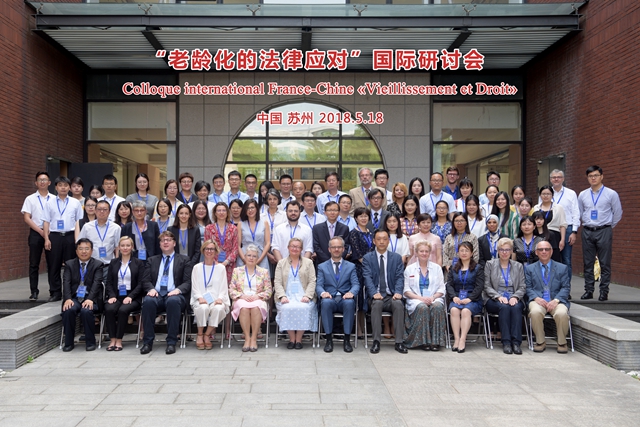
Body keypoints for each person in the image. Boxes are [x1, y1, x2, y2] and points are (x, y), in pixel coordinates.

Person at [140, 231, 192, 355]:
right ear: (159, 244)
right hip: (156, 294)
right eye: (163, 240)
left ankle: (171, 342)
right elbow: (145, 280)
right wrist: (151, 289)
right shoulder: (152, 260)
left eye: (168, 240)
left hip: (175, 294)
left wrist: (177, 290)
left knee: (173, 301)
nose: (165, 242)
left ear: (174, 243)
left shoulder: (184, 260)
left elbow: (188, 281)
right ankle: (147, 342)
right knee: (148, 301)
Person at [578, 166, 623, 301]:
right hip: (587, 230)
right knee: (588, 262)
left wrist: (608, 226)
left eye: (596, 175)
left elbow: (618, 213)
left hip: (604, 230)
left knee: (605, 262)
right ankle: (589, 290)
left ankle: (604, 291)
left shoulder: (611, 194)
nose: (593, 178)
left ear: (602, 176)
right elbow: (580, 212)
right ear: (587, 178)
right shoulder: (583, 195)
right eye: (590, 176)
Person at [363, 230, 407, 354]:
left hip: (391, 295)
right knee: (377, 304)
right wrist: (373, 293)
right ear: (374, 241)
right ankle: (376, 341)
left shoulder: (396, 258)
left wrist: (398, 292)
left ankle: (399, 342)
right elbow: (367, 278)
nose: (381, 241)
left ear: (388, 241)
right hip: (375, 295)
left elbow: (399, 277)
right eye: (378, 239)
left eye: (384, 239)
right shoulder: (368, 258)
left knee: (398, 304)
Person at [525, 241, 572, 353]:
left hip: (557, 300)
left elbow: (566, 288)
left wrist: (556, 300)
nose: (544, 252)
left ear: (551, 252)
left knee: (561, 313)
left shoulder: (562, 268)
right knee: (535, 312)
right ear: (536, 252)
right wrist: (536, 298)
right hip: (538, 300)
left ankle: (562, 343)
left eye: (547, 249)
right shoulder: (530, 269)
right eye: (540, 250)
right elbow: (527, 287)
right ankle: (540, 342)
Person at [43, 176, 84, 302]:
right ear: (56, 187)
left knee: (72, 265)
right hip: (55, 236)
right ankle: (55, 292)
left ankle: (71, 291)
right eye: (60, 185)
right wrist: (46, 239)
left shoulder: (75, 203)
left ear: (69, 188)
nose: (63, 188)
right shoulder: (49, 203)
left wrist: (77, 240)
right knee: (53, 265)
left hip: (70, 236)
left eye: (66, 185)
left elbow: (78, 222)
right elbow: (46, 222)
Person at [316, 237, 360, 353]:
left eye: (339, 247)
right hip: (329, 298)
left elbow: (356, 284)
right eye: (334, 247)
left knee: (350, 303)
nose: (336, 249)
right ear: (329, 249)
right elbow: (319, 285)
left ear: (343, 249)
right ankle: (328, 340)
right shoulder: (322, 266)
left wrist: (351, 293)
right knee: (325, 303)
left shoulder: (351, 266)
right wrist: (323, 293)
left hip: (345, 298)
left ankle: (347, 340)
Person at [484, 238, 526, 355]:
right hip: (494, 298)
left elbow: (522, 286)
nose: (504, 252)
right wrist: (498, 297)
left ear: (512, 251)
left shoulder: (518, 266)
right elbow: (487, 286)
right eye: (501, 250)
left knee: (516, 307)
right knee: (504, 307)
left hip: (514, 297)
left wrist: (515, 297)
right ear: (498, 251)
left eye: (507, 250)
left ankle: (516, 343)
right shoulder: (490, 264)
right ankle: (506, 342)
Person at [103, 236, 146, 351]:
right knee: (109, 308)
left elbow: (141, 284)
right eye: (122, 246)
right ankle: (112, 339)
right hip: (116, 295)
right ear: (119, 247)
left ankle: (119, 340)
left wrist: (131, 296)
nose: (125, 248)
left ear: (132, 247)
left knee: (123, 310)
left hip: (133, 297)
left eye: (128, 245)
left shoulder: (138, 263)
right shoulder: (113, 262)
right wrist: (112, 295)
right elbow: (109, 282)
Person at [274, 238, 318, 349]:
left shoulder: (309, 263)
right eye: (292, 246)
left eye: (298, 247)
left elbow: (312, 281)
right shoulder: (281, 263)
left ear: (301, 249)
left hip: (304, 295)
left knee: (304, 308)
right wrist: (282, 296)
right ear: (288, 248)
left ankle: (299, 339)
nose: (295, 249)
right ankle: (291, 338)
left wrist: (307, 295)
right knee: (286, 308)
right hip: (286, 295)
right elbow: (277, 282)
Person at [60, 238, 103, 352]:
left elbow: (97, 284)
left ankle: (90, 342)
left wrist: (90, 299)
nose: (84, 251)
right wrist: (68, 298)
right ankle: (68, 342)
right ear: (76, 251)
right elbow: (66, 282)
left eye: (87, 249)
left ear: (91, 251)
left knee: (86, 311)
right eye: (81, 249)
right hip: (74, 298)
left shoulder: (98, 265)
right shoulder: (69, 264)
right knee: (68, 310)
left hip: (91, 298)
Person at [229, 244, 272, 351]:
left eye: (254, 256)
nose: (251, 258)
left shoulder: (264, 272)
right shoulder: (237, 271)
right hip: (241, 299)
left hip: (258, 299)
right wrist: (242, 296)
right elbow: (231, 290)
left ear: (257, 258)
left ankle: (254, 339)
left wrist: (258, 296)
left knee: (256, 307)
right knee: (243, 308)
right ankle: (247, 339)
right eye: (249, 255)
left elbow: (268, 291)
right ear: (244, 257)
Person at [190, 239, 230, 350]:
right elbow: (194, 286)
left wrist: (220, 298)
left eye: (212, 249)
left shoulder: (221, 268)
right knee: (203, 308)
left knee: (218, 309)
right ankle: (199, 334)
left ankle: (207, 334)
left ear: (216, 251)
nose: (209, 251)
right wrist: (199, 297)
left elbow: (224, 286)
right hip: (200, 298)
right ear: (203, 251)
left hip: (216, 299)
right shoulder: (197, 267)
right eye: (207, 249)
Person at [446, 242, 484, 353]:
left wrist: (470, 298)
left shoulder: (478, 268)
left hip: (473, 298)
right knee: (454, 310)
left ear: (471, 253)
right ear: (458, 253)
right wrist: (453, 297)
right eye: (461, 250)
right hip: (457, 297)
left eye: (467, 250)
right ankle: (456, 339)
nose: (464, 253)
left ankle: (463, 339)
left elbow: (479, 286)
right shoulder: (454, 268)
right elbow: (449, 285)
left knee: (466, 311)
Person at [21, 171, 53, 301]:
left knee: (52, 263)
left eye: (45, 180)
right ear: (36, 183)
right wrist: (40, 231)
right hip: (36, 232)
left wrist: (47, 232)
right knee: (34, 263)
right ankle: (34, 291)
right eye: (40, 180)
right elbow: (26, 218)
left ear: (49, 183)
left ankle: (54, 291)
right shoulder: (30, 199)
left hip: (51, 233)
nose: (42, 182)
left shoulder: (54, 199)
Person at [346, 207, 375, 336]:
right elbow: (357, 253)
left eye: (366, 216)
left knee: (367, 297)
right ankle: (358, 328)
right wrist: (367, 264)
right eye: (360, 216)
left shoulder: (371, 233)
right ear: (356, 218)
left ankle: (364, 326)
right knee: (359, 297)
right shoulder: (354, 233)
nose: (363, 218)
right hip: (358, 268)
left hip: (370, 269)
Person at [548, 170, 580, 278]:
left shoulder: (571, 193)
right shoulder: (546, 193)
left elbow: (576, 212)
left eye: (559, 177)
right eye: (554, 177)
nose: (556, 179)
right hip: (551, 229)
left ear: (563, 179)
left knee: (566, 259)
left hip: (567, 229)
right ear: (550, 179)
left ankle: (566, 286)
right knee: (551, 258)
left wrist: (574, 231)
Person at [78, 199, 122, 268]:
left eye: (105, 209)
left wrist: (116, 264)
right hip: (91, 265)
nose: (102, 211)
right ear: (95, 211)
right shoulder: (87, 227)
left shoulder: (116, 228)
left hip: (109, 265)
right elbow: (80, 244)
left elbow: (117, 247)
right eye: (99, 209)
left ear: (109, 212)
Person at [204, 202, 239, 283]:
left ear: (227, 213)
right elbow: (206, 247)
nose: (221, 213)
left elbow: (235, 248)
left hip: (229, 264)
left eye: (224, 210)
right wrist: (215, 262)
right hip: (213, 263)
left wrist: (226, 262)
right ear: (215, 213)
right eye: (219, 210)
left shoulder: (233, 228)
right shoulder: (208, 228)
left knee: (228, 286)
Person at [533, 185, 567, 259]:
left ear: (552, 195)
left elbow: (563, 224)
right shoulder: (536, 208)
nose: (546, 196)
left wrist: (562, 240)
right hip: (539, 235)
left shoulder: (558, 208)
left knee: (555, 257)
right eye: (543, 194)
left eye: (548, 194)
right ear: (540, 195)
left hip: (554, 236)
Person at [237, 199, 271, 271]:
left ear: (256, 209)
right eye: (248, 208)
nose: (250, 210)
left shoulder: (264, 223)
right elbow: (238, 245)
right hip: (244, 256)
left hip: (261, 256)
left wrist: (259, 259)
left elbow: (268, 243)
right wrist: (244, 259)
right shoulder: (240, 224)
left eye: (252, 207)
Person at [313, 201, 349, 265]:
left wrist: (337, 259)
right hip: (322, 263)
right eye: (329, 210)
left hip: (339, 263)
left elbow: (345, 246)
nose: (332, 213)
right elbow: (316, 247)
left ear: (339, 212)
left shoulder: (344, 228)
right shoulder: (317, 228)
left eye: (335, 210)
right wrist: (329, 261)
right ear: (325, 212)